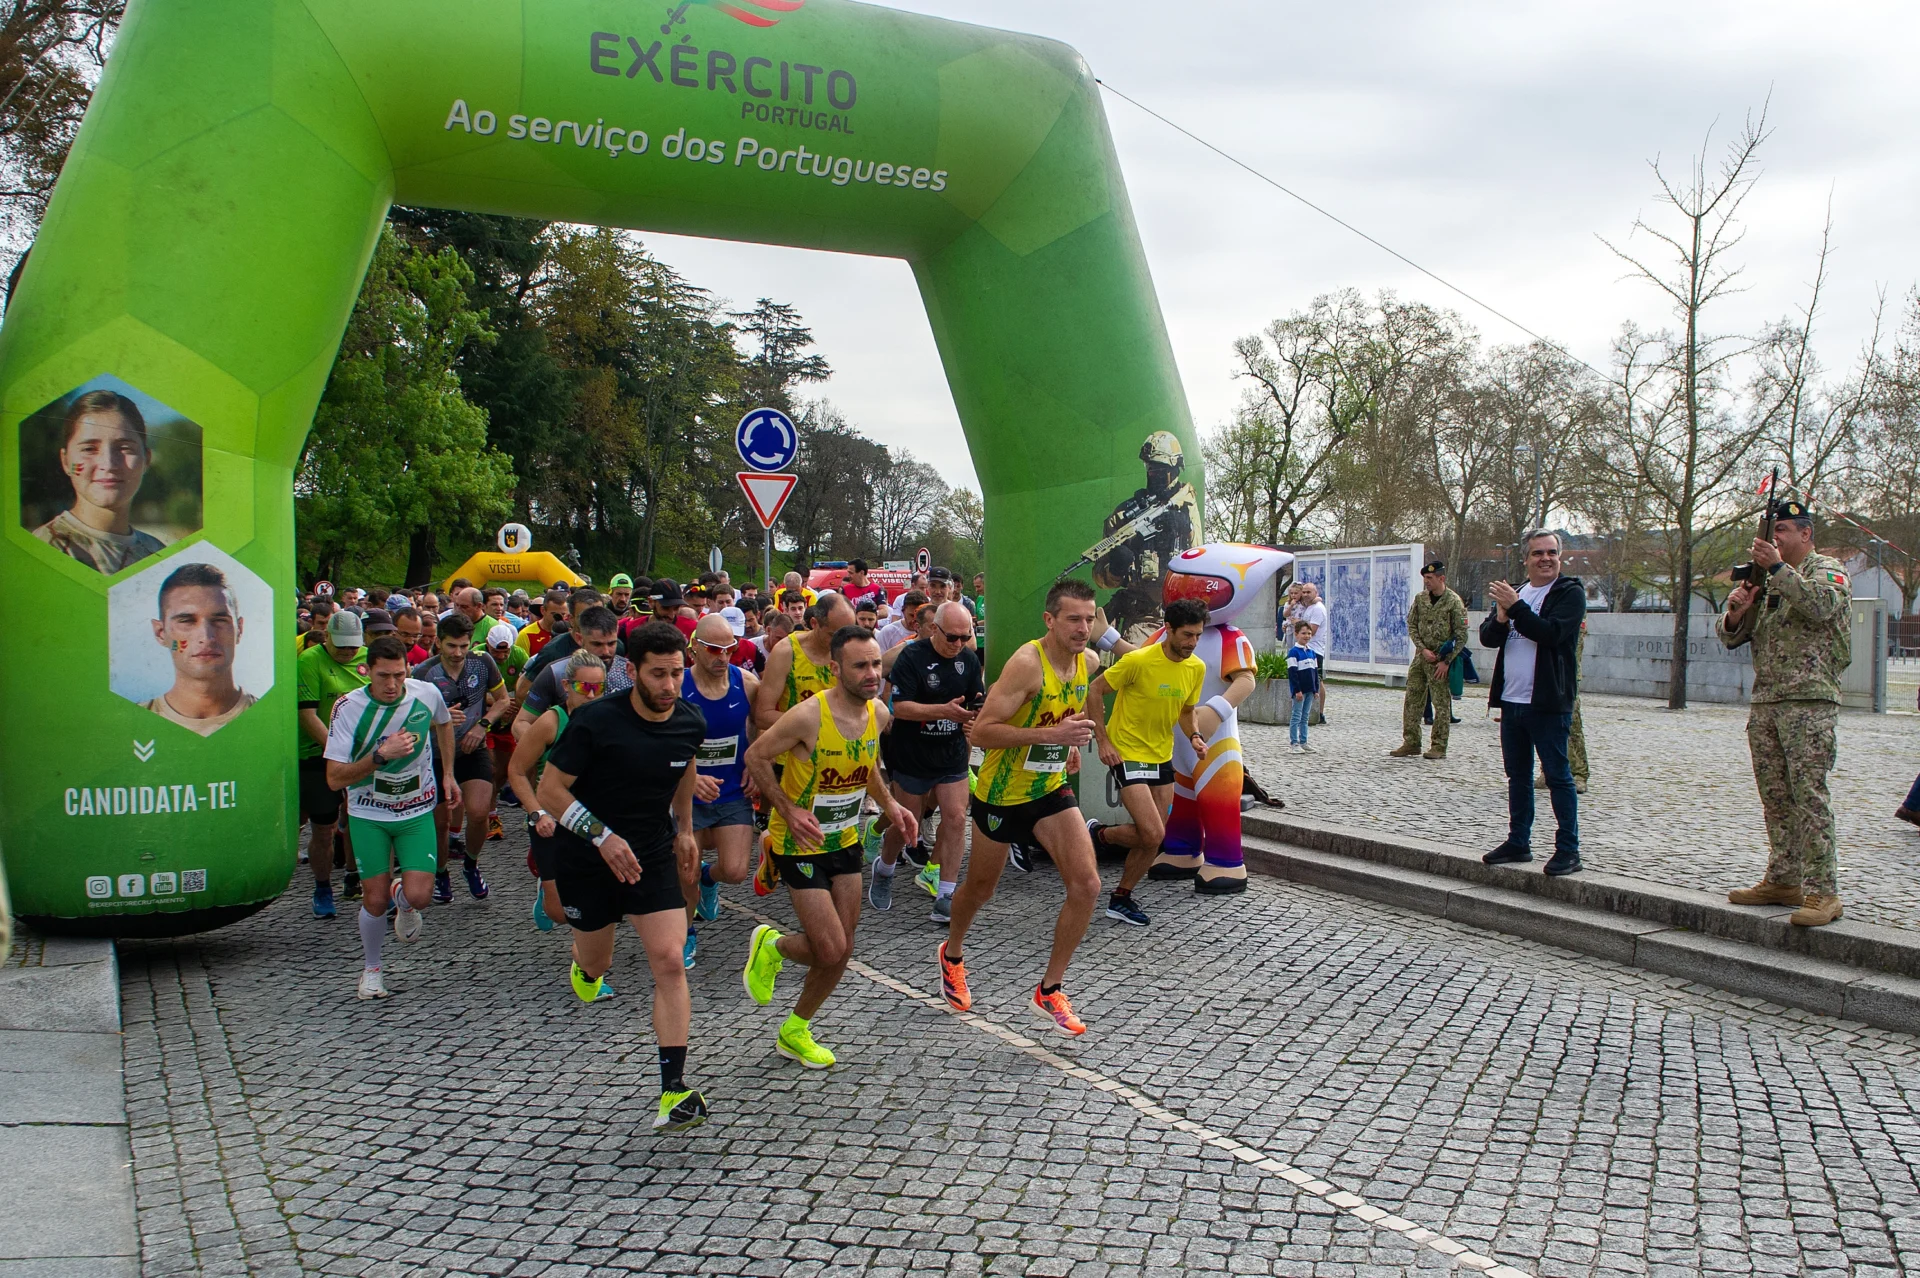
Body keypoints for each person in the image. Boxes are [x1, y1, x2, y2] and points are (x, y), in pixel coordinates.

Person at [537, 620, 710, 1132]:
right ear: (631, 671)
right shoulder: (594, 721)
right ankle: (585, 969)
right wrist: (602, 836)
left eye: (677, 674)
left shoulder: (688, 721)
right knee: (598, 960)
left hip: (651, 854)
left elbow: (683, 770)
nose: (669, 686)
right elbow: (550, 791)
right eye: (658, 675)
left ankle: (672, 1090)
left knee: (669, 961)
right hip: (587, 856)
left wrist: (684, 829)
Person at [742, 626, 914, 1069]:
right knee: (831, 946)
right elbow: (756, 757)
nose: (872, 673)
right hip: (798, 842)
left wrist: (892, 806)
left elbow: (867, 767)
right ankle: (773, 946)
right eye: (860, 665)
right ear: (835, 669)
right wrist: (787, 809)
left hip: (845, 840)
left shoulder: (878, 713)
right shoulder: (807, 716)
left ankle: (795, 1029)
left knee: (844, 946)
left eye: (876, 664)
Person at [939, 580, 1102, 1037]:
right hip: (1001, 794)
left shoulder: (1087, 662)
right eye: (1073, 619)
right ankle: (952, 954)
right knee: (980, 889)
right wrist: (1051, 737)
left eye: (1088, 618)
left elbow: (1065, 720)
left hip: (1048, 790)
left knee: (1087, 884)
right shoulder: (1027, 665)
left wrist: (1068, 744)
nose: (1082, 628)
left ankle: (1049, 990)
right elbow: (982, 732)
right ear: (1050, 620)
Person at [1717, 500, 1852, 926]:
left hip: (1810, 701)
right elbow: (1732, 636)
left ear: (1805, 535)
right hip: (1768, 701)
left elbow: (1822, 608)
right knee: (1775, 798)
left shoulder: (1824, 570)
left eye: (1783, 532)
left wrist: (1777, 569)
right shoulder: (1767, 580)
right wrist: (1736, 613)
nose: (1773, 540)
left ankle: (1823, 892)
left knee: (1808, 796)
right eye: (1771, 533)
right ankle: (1783, 878)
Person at [324, 635, 457, 1000]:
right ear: (367, 671)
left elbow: (444, 724)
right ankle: (371, 970)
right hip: (369, 812)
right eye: (383, 676)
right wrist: (380, 756)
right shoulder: (348, 707)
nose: (391, 684)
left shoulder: (426, 694)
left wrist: (448, 773)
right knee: (374, 900)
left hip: (416, 809)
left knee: (421, 896)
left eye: (399, 675)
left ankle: (405, 896)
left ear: (408, 669)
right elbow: (335, 777)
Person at [1084, 597, 1209, 927]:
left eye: (1198, 635)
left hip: (1161, 755)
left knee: (1154, 834)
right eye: (1187, 635)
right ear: (1168, 629)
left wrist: (1195, 735)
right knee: (1153, 834)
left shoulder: (1196, 668)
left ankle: (1119, 894)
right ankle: (1099, 837)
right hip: (1126, 752)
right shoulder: (1138, 660)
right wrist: (1104, 740)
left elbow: (1185, 711)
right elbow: (1094, 691)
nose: (1193, 643)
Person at [1480, 530, 1586, 877]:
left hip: (1547, 701)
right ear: (1526, 559)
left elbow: (1551, 633)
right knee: (1517, 776)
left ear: (1560, 556)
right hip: (1512, 701)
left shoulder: (1569, 592)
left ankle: (1568, 849)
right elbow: (1488, 637)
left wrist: (1516, 607)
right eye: (1538, 553)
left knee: (1558, 776)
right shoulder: (1518, 593)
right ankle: (1518, 841)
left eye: (1552, 552)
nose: (1546, 558)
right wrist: (1500, 616)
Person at [871, 601, 985, 922]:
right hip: (912, 753)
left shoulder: (968, 661)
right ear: (934, 629)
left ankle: (946, 895)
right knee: (906, 824)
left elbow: (977, 700)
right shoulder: (912, 657)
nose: (959, 644)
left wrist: (974, 719)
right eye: (953, 637)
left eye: (966, 637)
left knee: (956, 819)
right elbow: (901, 708)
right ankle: (884, 869)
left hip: (951, 754)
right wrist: (942, 711)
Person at [508, 648, 606, 943]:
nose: (590, 695)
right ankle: (546, 889)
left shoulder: (608, 720)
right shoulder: (551, 721)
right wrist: (535, 812)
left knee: (593, 900)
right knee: (559, 913)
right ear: (566, 686)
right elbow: (516, 770)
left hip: (589, 818)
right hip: (549, 819)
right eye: (583, 687)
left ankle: (588, 964)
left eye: (597, 688)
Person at [681, 614, 761, 969]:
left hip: (731, 791)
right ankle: (684, 934)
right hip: (688, 796)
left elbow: (761, 726)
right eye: (713, 650)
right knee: (685, 870)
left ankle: (709, 879)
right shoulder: (678, 686)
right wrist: (688, 776)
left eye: (728, 649)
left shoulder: (746, 683)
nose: (722, 657)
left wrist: (755, 766)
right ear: (695, 648)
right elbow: (660, 739)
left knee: (736, 871)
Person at [413, 613, 509, 903]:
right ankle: (441, 872)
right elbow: (408, 719)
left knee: (479, 812)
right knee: (441, 823)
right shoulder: (423, 672)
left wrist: (483, 725)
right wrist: (437, 720)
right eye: (451, 646)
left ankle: (471, 863)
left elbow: (504, 700)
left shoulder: (483, 663)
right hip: (436, 754)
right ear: (439, 643)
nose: (457, 653)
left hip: (472, 747)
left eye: (463, 646)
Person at [33, 389, 168, 574]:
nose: (109, 464)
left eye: (125, 448)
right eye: (89, 449)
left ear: (146, 460)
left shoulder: (158, 554)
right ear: (66, 461)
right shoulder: (42, 550)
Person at [1088, 431, 1200, 636]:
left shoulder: (1186, 506)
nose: (1153, 474)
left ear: (1176, 469)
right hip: (1142, 617)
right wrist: (1116, 568)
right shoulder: (1124, 517)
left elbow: (1200, 563)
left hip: (1181, 616)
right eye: (1150, 468)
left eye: (1160, 469)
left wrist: (1183, 528)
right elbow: (1099, 577)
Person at [297, 610, 369, 918]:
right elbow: (307, 716)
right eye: (342, 646)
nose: (349, 652)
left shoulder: (368, 658)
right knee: (323, 829)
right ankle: (322, 886)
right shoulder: (309, 662)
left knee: (361, 819)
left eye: (353, 646)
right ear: (327, 637)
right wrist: (338, 752)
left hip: (363, 754)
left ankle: (358, 877)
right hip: (318, 754)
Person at [143, 561, 256, 736]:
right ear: (160, 633)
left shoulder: (271, 717)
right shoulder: (132, 721)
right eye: (187, 621)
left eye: (219, 620)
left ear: (239, 629)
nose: (206, 637)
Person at [1391, 560, 1468, 760]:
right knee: (1412, 699)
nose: (1427, 582)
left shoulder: (1453, 601)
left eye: (1430, 578)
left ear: (1441, 578)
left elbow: (1461, 635)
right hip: (1421, 657)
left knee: (1441, 704)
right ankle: (1411, 742)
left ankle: (1439, 745)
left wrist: (1447, 661)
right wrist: (1422, 648)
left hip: (1440, 660)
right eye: (1425, 578)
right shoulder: (1421, 599)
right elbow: (1412, 624)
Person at [755, 593, 853, 730]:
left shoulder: (851, 648)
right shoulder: (786, 652)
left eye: (848, 634)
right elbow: (762, 716)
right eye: (833, 635)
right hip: (796, 746)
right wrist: (816, 724)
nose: (842, 642)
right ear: (814, 623)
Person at [483, 623, 528, 807]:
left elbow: (526, 687)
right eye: (496, 652)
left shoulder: (519, 655)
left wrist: (514, 705)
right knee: (489, 768)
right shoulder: (478, 655)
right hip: (486, 717)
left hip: (509, 719)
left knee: (503, 770)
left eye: (505, 652)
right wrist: (499, 703)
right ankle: (489, 809)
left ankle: (491, 801)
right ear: (487, 645)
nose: (501, 657)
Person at [1285, 582, 1332, 725]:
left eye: (1308, 592)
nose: (1305, 595)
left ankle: (1320, 712)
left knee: (1318, 680)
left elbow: (1313, 629)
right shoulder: (1308, 606)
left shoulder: (1317, 609)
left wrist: (1298, 622)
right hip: (1304, 649)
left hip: (1315, 649)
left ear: (1315, 593)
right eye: (1303, 592)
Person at [1285, 621, 1320, 753]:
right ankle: (1294, 742)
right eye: (1303, 633)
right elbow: (1293, 674)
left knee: (1305, 717)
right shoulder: (1293, 653)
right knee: (1296, 716)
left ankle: (1304, 741)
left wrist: (1315, 689)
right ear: (1296, 634)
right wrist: (1297, 690)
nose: (1306, 636)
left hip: (1310, 690)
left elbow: (1315, 672)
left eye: (1309, 633)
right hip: (1300, 691)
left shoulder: (1311, 652)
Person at [514, 588, 571, 656]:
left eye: (563, 614)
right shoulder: (526, 635)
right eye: (554, 614)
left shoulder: (570, 633)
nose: (558, 618)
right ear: (543, 610)